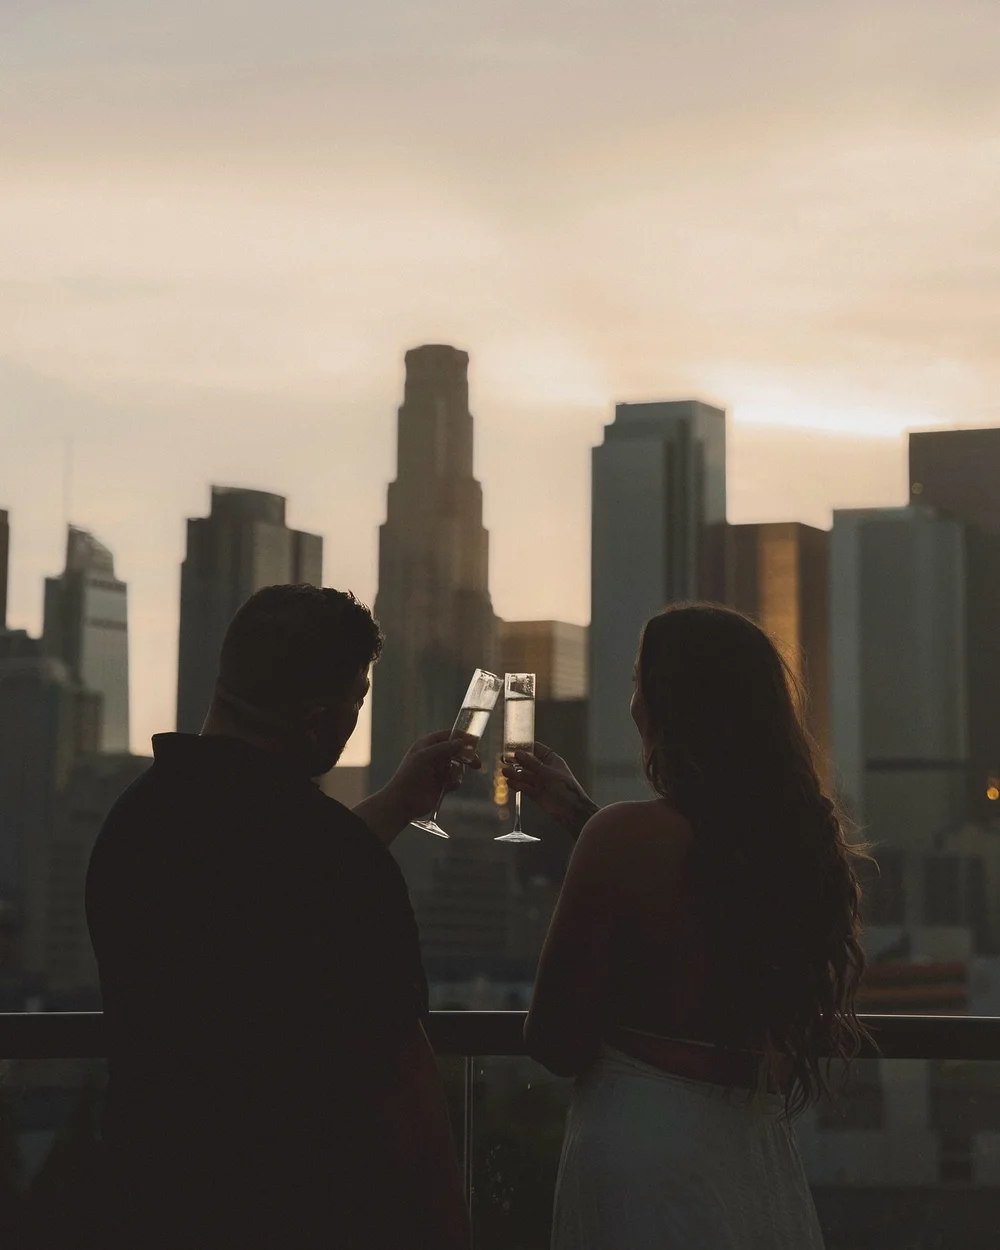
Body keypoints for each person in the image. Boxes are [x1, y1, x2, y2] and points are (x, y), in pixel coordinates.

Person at [86, 584, 474, 1250]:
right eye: (357, 701)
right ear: (323, 719)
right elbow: (402, 1083)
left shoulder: (132, 826)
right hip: (306, 1210)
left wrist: (390, 806)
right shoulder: (329, 855)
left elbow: (261, 883)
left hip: (151, 1202)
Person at [504, 603, 867, 1250]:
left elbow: (554, 1041)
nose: (633, 702)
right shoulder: (799, 852)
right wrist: (585, 815)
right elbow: (705, 883)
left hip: (643, 1150)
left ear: (666, 706)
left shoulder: (623, 837)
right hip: (754, 1154)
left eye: (639, 682)